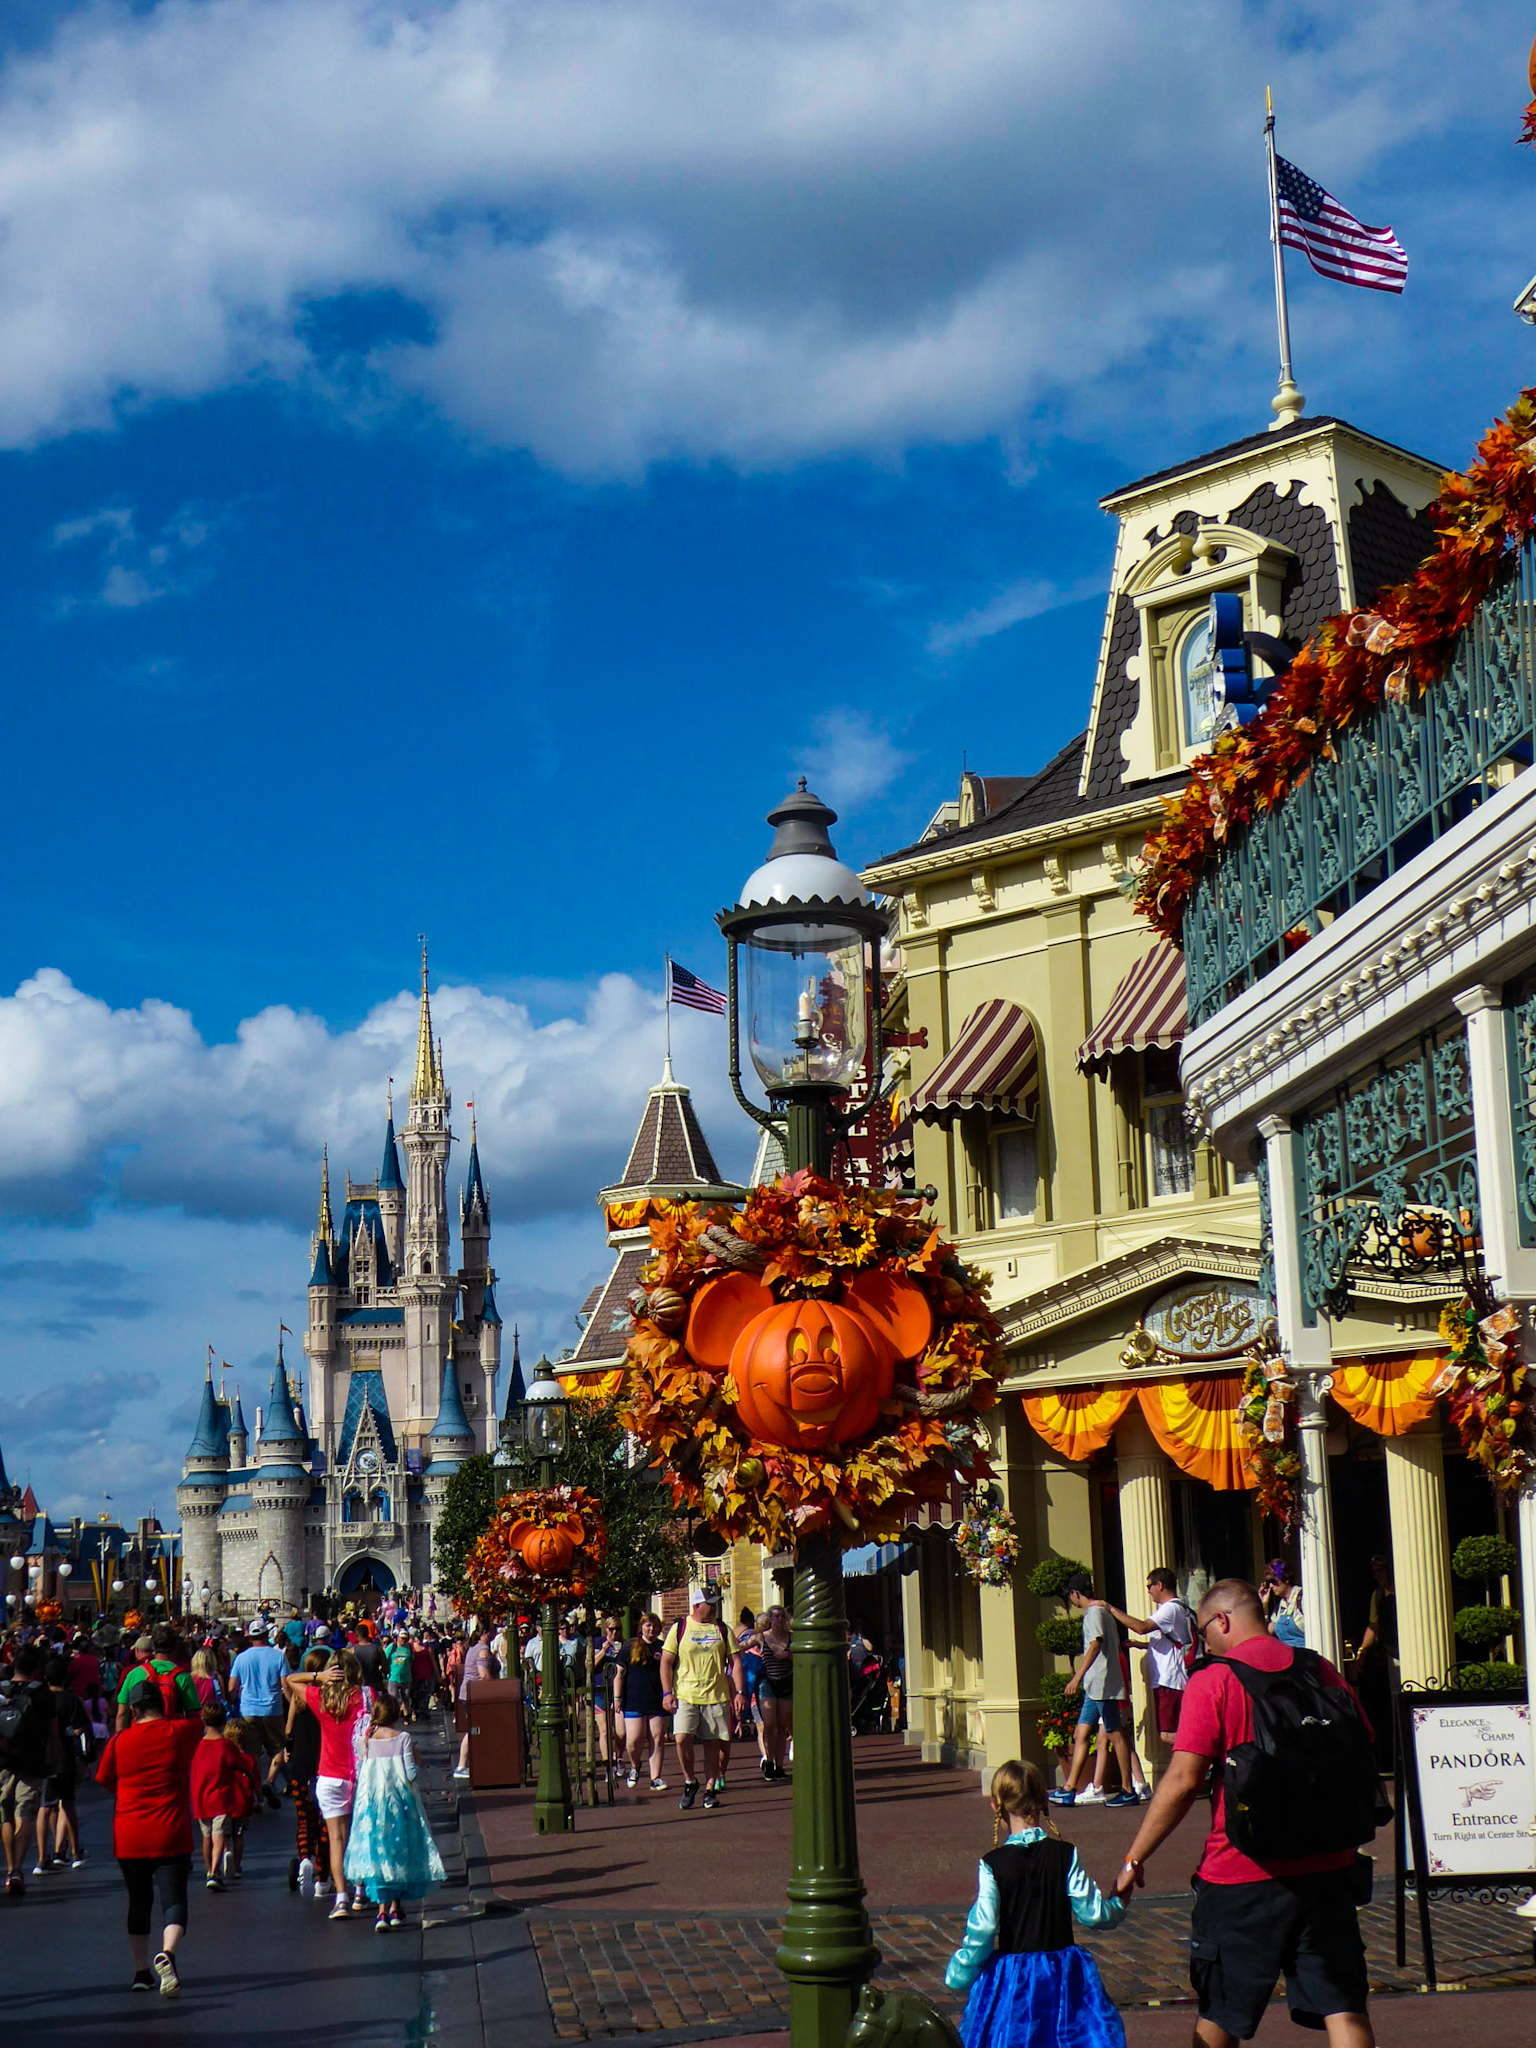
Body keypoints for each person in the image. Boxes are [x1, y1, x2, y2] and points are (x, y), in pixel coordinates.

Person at [1113, 1578, 1378, 2048]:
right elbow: (1363, 1742)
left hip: (1242, 1872)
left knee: (1220, 2012)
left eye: (1202, 1630)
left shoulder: (1214, 1680)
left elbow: (1182, 1782)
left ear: (1223, 1621)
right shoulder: (1319, 1668)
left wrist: (1135, 1858)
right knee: (1344, 2006)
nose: (1202, 1641)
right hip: (1329, 1865)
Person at [946, 1759, 1126, 2048]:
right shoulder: (1065, 1854)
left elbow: (984, 1928)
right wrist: (1118, 1903)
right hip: (1063, 1975)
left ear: (997, 1807)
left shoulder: (993, 1864)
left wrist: (960, 1971)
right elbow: (1092, 1913)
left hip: (1012, 1979)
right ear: (1044, 1802)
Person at [96, 1682, 202, 1997]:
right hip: (171, 1831)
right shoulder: (181, 1732)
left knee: (138, 1903)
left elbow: (104, 1778)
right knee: (174, 1901)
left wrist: (127, 1795)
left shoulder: (119, 1741)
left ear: (133, 1710)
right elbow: (201, 1721)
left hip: (130, 1833)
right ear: (163, 1705)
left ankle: (141, 1971)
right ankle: (167, 1953)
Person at [344, 1692, 446, 1931]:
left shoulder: (365, 1740)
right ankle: (396, 1908)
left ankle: (381, 1911)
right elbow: (410, 1774)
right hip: (399, 1803)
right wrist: (416, 1757)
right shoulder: (403, 1738)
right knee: (399, 1851)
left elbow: (362, 1773)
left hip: (372, 1805)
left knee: (378, 1853)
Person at [284, 1651, 371, 1919]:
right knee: (359, 1834)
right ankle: (360, 1890)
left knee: (336, 1838)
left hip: (329, 1775)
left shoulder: (320, 1697)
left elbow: (289, 1680)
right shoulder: (365, 1695)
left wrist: (317, 1677)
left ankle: (341, 1897)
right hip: (358, 1774)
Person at [1049, 1577, 1137, 1809]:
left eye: (1070, 1594)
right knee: (1081, 1733)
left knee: (1115, 1733)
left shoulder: (1095, 1613)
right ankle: (1069, 1789)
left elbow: (1095, 1644)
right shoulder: (1100, 1612)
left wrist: (1077, 1677)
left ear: (1076, 1593)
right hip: (1094, 1685)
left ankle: (1128, 1789)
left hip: (1102, 1684)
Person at [660, 1588, 747, 1813]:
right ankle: (690, 1781)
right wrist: (667, 1692)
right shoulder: (680, 1628)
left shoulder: (722, 1629)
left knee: (713, 1743)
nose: (714, 1607)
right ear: (697, 1605)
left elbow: (735, 1661)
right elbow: (666, 1662)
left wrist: (739, 1692)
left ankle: (710, 1789)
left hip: (716, 1695)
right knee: (681, 1738)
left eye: (715, 1603)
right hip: (686, 1693)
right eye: (710, 1603)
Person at [1108, 1568, 1192, 1748]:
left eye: (1149, 1586)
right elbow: (1172, 1643)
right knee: (1173, 1733)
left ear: (1159, 1585)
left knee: (1168, 1735)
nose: (1148, 1591)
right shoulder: (1176, 1608)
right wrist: (1142, 1645)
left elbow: (1142, 1627)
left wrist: (1111, 1609)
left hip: (1169, 1681)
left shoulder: (1170, 1608)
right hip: (1168, 1680)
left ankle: (1206, 1754)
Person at [1, 1642, 59, 1898]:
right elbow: (53, 1732)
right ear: (37, 1668)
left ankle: (9, 1866)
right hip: (32, 1760)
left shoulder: (1, 1691)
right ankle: (17, 1870)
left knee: (5, 1813)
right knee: (24, 1812)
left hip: (2, 1760)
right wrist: (51, 1758)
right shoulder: (42, 1694)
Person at [190, 1702, 258, 1891]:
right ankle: (214, 1873)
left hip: (200, 1797)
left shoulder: (198, 1746)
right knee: (219, 1834)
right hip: (220, 1797)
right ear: (222, 1721)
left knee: (206, 1836)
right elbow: (240, 1764)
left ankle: (209, 1870)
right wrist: (250, 1774)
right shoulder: (225, 1745)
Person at [285, 1647, 334, 1900]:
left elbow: (289, 1729)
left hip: (300, 1766)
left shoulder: (299, 1696)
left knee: (304, 1818)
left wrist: (287, 1749)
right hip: (324, 1766)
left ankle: (304, 1857)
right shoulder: (329, 1697)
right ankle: (321, 1876)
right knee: (326, 1823)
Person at [227, 1622, 288, 1806]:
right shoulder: (278, 1657)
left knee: (251, 1754)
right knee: (278, 1750)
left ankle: (256, 1795)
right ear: (266, 1634)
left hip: (248, 1710)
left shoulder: (241, 1658)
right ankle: (270, 1781)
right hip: (272, 1709)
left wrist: (230, 1704)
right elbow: (285, 1684)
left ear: (250, 1637)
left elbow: (232, 1687)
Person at [41, 1654, 90, 1871]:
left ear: (45, 1678)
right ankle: (74, 1850)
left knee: (45, 1807)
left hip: (44, 1758)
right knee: (68, 1804)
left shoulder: (40, 1699)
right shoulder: (72, 1700)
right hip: (66, 1757)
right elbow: (81, 1729)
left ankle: (44, 1856)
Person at [614, 1612, 668, 1792]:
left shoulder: (664, 1647)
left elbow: (671, 1672)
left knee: (657, 1738)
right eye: (648, 1626)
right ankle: (635, 1767)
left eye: (655, 1626)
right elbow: (619, 1674)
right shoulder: (630, 1646)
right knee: (633, 1740)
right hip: (634, 1699)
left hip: (657, 1699)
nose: (651, 1629)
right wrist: (617, 1697)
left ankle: (656, 1778)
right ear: (641, 1627)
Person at [115, 1624, 199, 1733]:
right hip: (171, 1739)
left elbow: (121, 1715)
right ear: (175, 1648)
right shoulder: (183, 1677)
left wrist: (120, 1741)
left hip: (140, 1737)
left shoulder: (134, 1674)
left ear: (153, 1648)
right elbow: (193, 1718)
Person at [452, 1626, 500, 1781]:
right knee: (475, 1729)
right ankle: (462, 1765)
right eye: (493, 1630)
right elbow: (484, 1675)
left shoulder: (474, 1647)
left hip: (469, 1694)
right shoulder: (482, 1650)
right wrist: (497, 1690)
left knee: (478, 1729)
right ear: (486, 1633)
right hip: (476, 1695)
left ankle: (478, 1762)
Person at [755, 1605, 793, 1781]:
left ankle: (779, 1765)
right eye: (775, 1616)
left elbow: (801, 1654)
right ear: (769, 1618)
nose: (778, 1619)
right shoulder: (762, 1637)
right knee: (769, 1723)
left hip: (786, 1681)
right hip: (767, 1682)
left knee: (782, 1726)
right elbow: (739, 1646)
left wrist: (788, 1655)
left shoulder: (792, 1638)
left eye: (781, 1616)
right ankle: (768, 1761)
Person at [1260, 1562, 1306, 1648]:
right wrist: (1263, 1604)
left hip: (1306, 1656)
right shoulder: (1280, 1608)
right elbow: (1265, 1633)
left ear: (1286, 1579)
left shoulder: (1303, 1598)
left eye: (1273, 1581)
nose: (1271, 1586)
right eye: (1268, 1582)